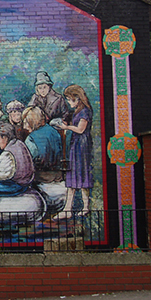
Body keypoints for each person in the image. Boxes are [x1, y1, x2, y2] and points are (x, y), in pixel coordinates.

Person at [56, 84, 93, 219]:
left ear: (78, 99)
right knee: (72, 176)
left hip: (82, 147)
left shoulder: (85, 112)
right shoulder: (78, 111)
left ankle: (85, 206)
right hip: (76, 145)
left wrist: (67, 127)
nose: (68, 102)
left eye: (70, 99)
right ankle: (68, 208)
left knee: (82, 175)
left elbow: (80, 129)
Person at [22, 106, 63, 183]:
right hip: (58, 175)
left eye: (26, 123)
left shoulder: (31, 139)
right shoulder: (54, 132)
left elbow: (27, 162)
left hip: (40, 177)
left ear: (32, 121)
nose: (24, 127)